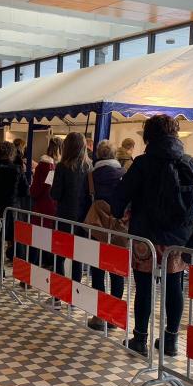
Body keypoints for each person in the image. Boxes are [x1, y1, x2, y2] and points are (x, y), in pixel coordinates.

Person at [113, 115, 193, 356]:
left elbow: (120, 197)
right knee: (174, 287)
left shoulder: (142, 163)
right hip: (178, 239)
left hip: (146, 237)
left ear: (149, 136)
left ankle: (140, 340)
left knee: (143, 288)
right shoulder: (190, 163)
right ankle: (171, 341)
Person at [86, 140, 125, 330]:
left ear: (99, 155)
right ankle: (114, 316)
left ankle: (99, 316)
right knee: (117, 272)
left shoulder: (93, 175)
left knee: (98, 271)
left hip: (98, 227)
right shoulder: (123, 175)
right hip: (119, 227)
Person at [50, 132, 92, 287]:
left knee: (59, 256)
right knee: (77, 258)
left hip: (64, 217)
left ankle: (58, 294)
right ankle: (75, 293)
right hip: (83, 218)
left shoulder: (62, 167)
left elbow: (55, 193)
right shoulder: (89, 166)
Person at [0, 141, 29, 269]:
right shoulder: (17, 169)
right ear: (12, 153)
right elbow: (25, 191)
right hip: (12, 209)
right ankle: (20, 265)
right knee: (16, 238)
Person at [29, 137, 63, 269]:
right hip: (55, 207)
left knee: (37, 239)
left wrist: (32, 191)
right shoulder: (59, 166)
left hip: (42, 205)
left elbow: (36, 189)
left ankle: (33, 268)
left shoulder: (43, 165)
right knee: (51, 239)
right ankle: (49, 264)